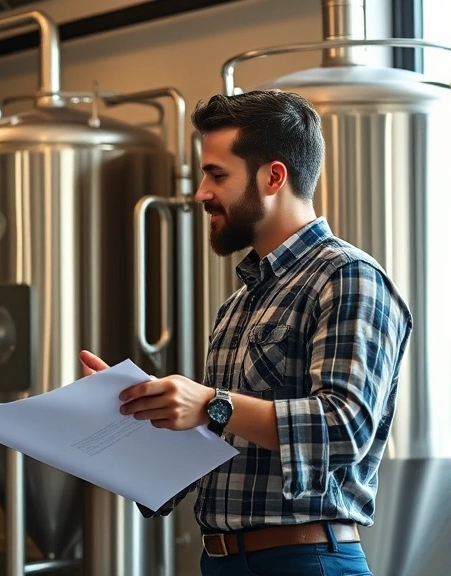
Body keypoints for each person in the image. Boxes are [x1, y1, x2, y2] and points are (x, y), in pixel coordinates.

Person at [80, 90, 411, 576]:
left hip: (305, 560)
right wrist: (131, 414)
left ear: (274, 176)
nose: (200, 194)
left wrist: (213, 402)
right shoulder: (236, 305)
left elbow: (346, 428)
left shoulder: (346, 276)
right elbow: (222, 443)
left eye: (217, 175)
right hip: (219, 561)